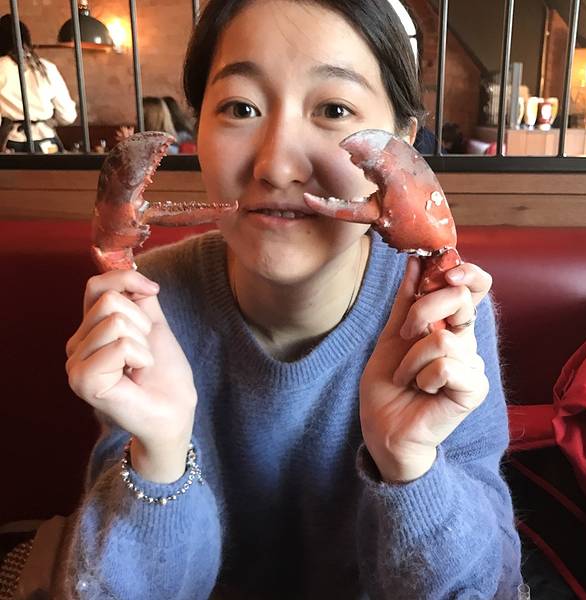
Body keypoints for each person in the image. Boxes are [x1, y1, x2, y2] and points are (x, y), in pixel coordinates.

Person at [62, 0, 522, 598]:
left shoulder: (442, 312)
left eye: (334, 109)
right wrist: (161, 453)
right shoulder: (148, 301)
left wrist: (411, 465)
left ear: (404, 144)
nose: (277, 166)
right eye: (240, 108)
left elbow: (488, 588)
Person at [0, 14, 76, 153]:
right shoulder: (46, 67)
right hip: (46, 141)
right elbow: (68, 115)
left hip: (11, 144)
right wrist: (48, 119)